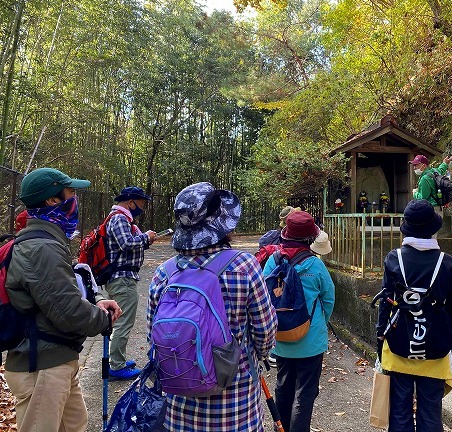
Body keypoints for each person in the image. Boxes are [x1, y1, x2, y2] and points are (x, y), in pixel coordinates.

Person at [147, 182, 277, 431]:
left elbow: (155, 339)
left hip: (179, 410)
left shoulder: (164, 273)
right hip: (235, 409)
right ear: (222, 223)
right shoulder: (244, 266)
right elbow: (265, 334)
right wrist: (253, 356)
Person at [5, 167, 122, 431]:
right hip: (42, 368)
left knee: (74, 425)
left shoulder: (46, 241)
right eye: (71, 193)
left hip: (55, 360)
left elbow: (59, 298)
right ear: (52, 200)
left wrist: (94, 304)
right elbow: (68, 313)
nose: (75, 200)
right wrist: (101, 320)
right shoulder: (42, 248)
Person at [376, 200, 452, 432]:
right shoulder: (447, 263)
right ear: (433, 228)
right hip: (436, 348)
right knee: (431, 415)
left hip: (399, 345)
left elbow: (385, 304)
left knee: (399, 413)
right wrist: (450, 345)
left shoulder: (394, 259)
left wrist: (379, 338)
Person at [262, 210, 335, 432]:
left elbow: (262, 298)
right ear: (310, 238)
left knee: (283, 388)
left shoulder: (272, 261)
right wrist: (318, 326)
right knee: (305, 394)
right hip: (310, 341)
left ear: (286, 234)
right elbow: (329, 299)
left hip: (281, 338)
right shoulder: (315, 265)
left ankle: (280, 428)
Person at [103, 186, 157, 379]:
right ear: (130, 201)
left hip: (123, 276)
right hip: (122, 278)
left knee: (119, 321)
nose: (143, 206)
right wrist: (145, 237)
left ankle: (115, 359)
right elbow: (126, 243)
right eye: (141, 202)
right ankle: (116, 367)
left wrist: (145, 240)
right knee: (123, 323)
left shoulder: (122, 218)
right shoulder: (119, 218)